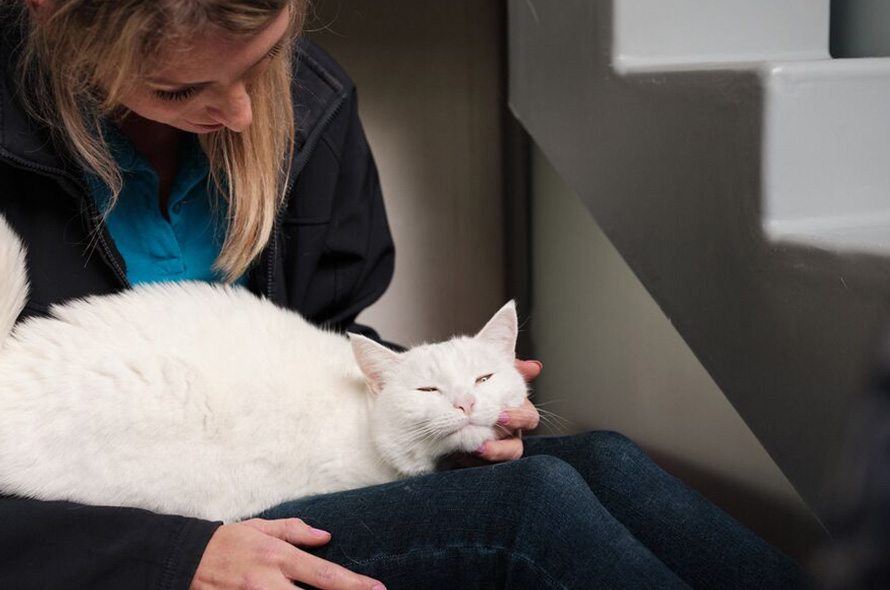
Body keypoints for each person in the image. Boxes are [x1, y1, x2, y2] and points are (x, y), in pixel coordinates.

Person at [0, 1, 805, 588]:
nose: (245, 112)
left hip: (273, 455)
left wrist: (426, 403)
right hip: (109, 528)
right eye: (181, 91)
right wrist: (169, 558)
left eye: (265, 60)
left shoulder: (313, 105)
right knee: (530, 511)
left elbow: (322, 340)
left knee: (605, 458)